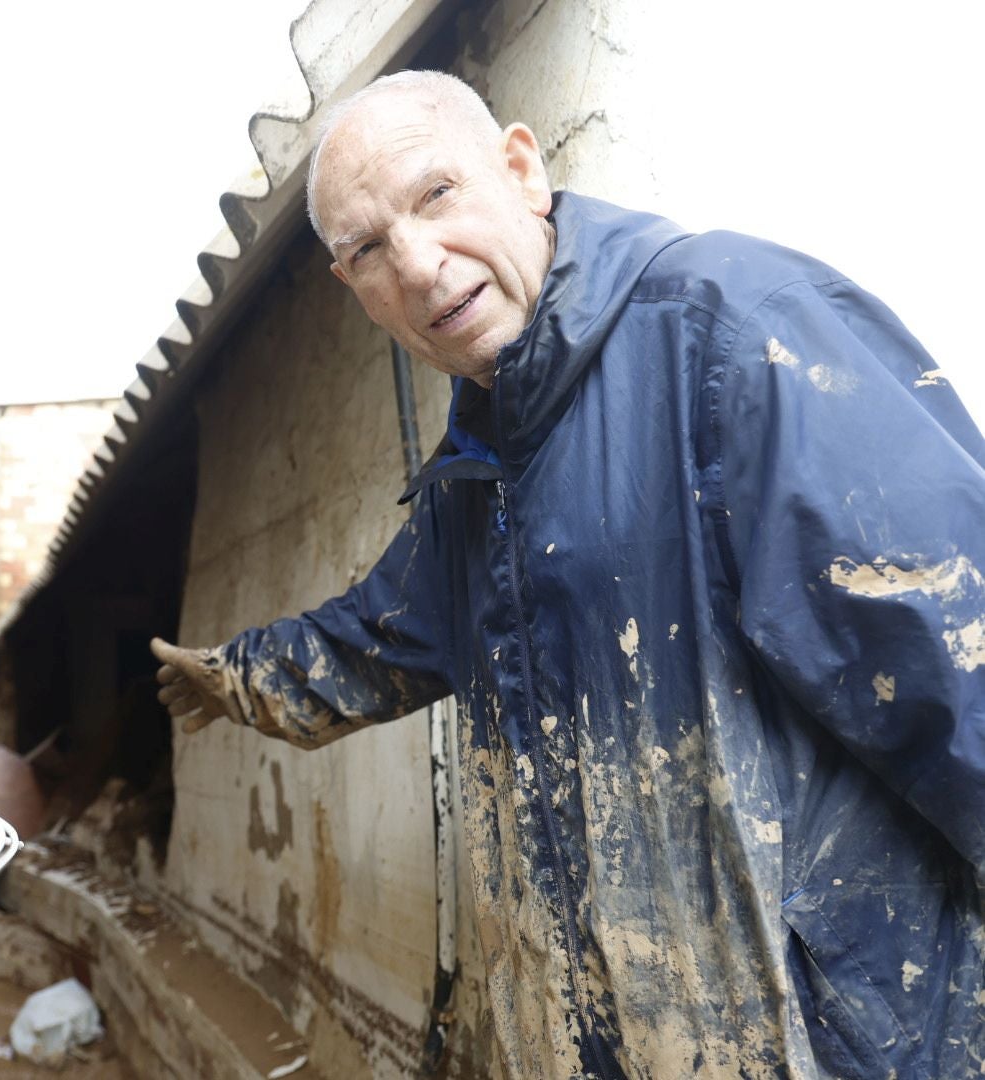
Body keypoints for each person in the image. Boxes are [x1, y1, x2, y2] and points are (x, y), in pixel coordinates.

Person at [150, 70, 985, 1079]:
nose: (417, 265)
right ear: (353, 288)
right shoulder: (479, 474)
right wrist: (232, 675)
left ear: (521, 168)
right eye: (368, 250)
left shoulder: (735, 333)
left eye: (436, 195)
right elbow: (372, 637)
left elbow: (958, 667)